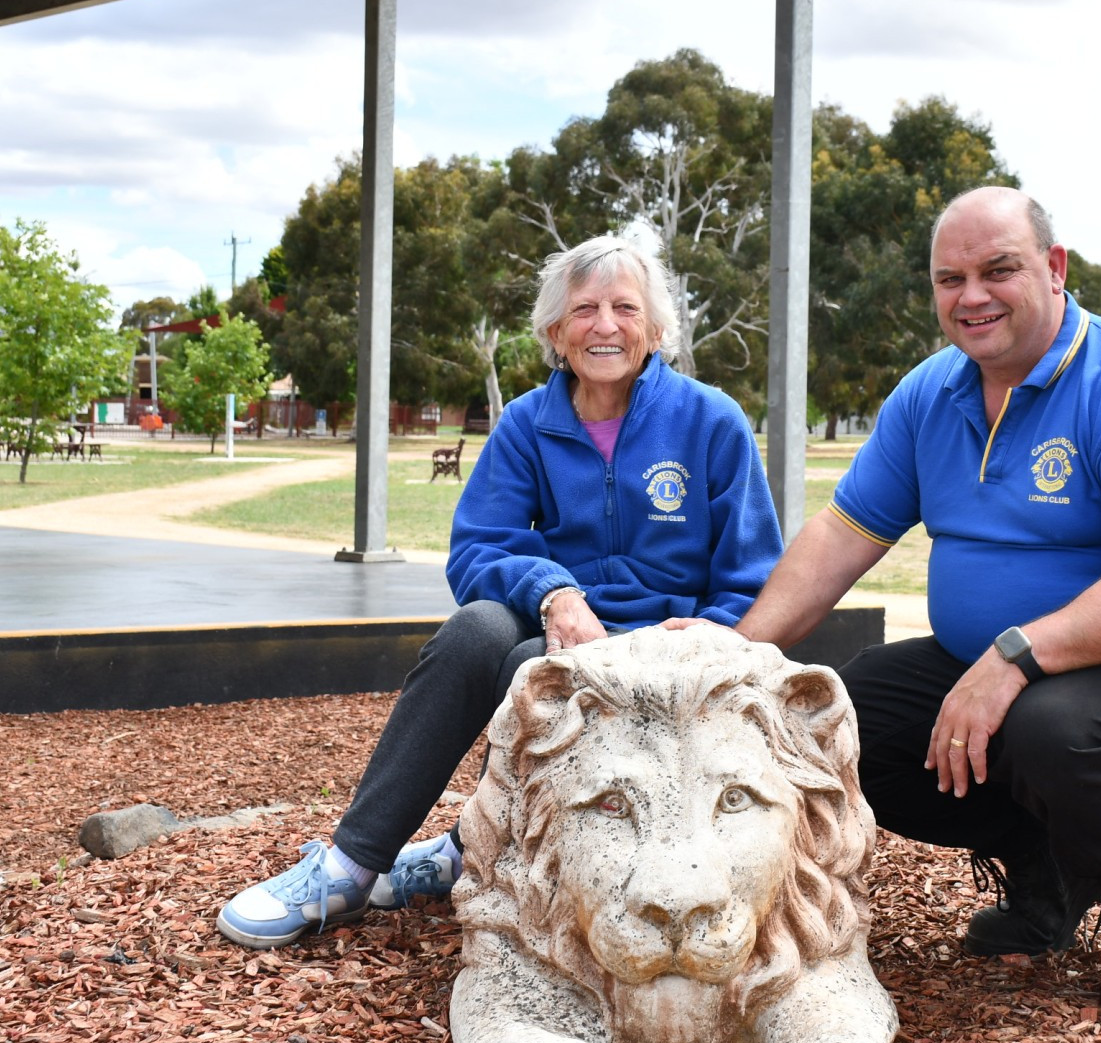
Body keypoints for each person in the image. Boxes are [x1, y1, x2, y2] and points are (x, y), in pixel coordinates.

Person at [720, 186, 1101, 1019]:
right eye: (950, 278)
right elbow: (840, 535)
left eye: (997, 269)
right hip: (1013, 662)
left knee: (1058, 727)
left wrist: (1013, 657)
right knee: (840, 719)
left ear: (1054, 270)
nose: (971, 295)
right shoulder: (930, 396)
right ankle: (1049, 863)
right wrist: (742, 654)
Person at [218, 235, 783, 949]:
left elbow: (753, 572)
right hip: (562, 630)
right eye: (583, 309)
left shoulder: (710, 421)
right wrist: (555, 593)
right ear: (555, 332)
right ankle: (349, 867)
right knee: (479, 631)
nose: (604, 325)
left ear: (657, 328)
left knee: (528, 671)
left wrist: (706, 637)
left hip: (666, 652)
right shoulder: (526, 424)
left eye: (623, 307)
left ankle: (465, 847)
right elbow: (478, 546)